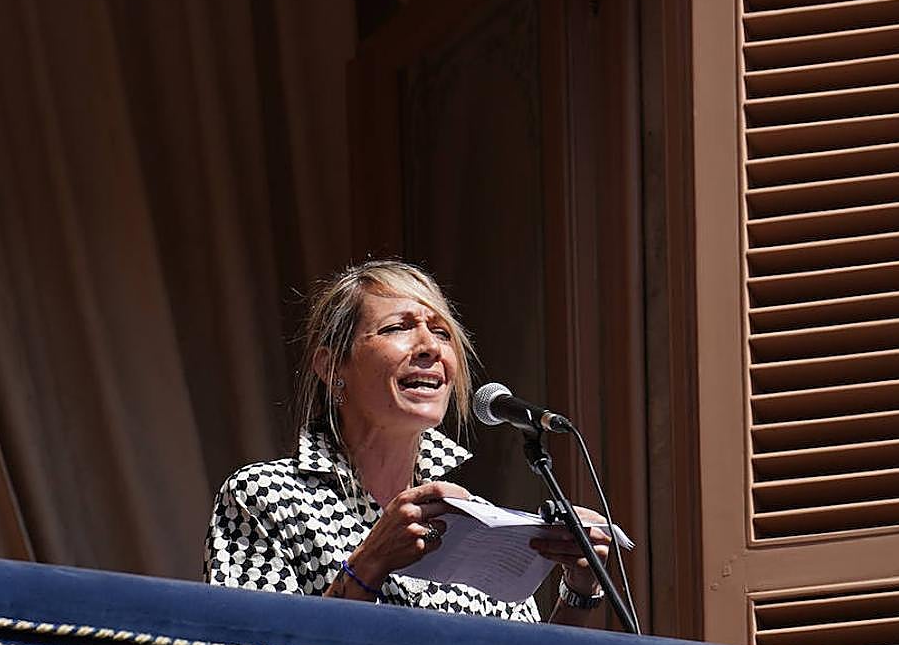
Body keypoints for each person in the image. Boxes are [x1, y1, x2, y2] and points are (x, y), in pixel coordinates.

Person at [205, 259, 611, 625]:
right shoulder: (265, 498)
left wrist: (579, 591)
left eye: (441, 332)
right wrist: (370, 562)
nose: (431, 347)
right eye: (398, 327)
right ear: (332, 367)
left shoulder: (479, 523)